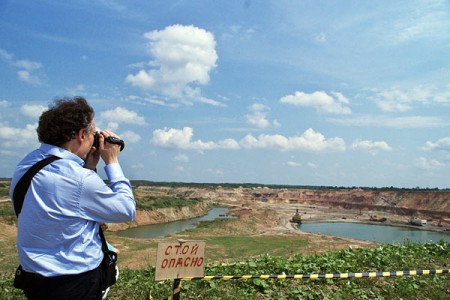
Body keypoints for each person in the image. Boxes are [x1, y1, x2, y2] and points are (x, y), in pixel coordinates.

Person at [9, 97, 136, 300]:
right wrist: (111, 162)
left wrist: (89, 167)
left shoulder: (27, 164)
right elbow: (126, 210)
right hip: (75, 284)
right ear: (81, 135)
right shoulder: (78, 179)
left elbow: (62, 210)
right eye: (94, 133)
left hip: (35, 281)